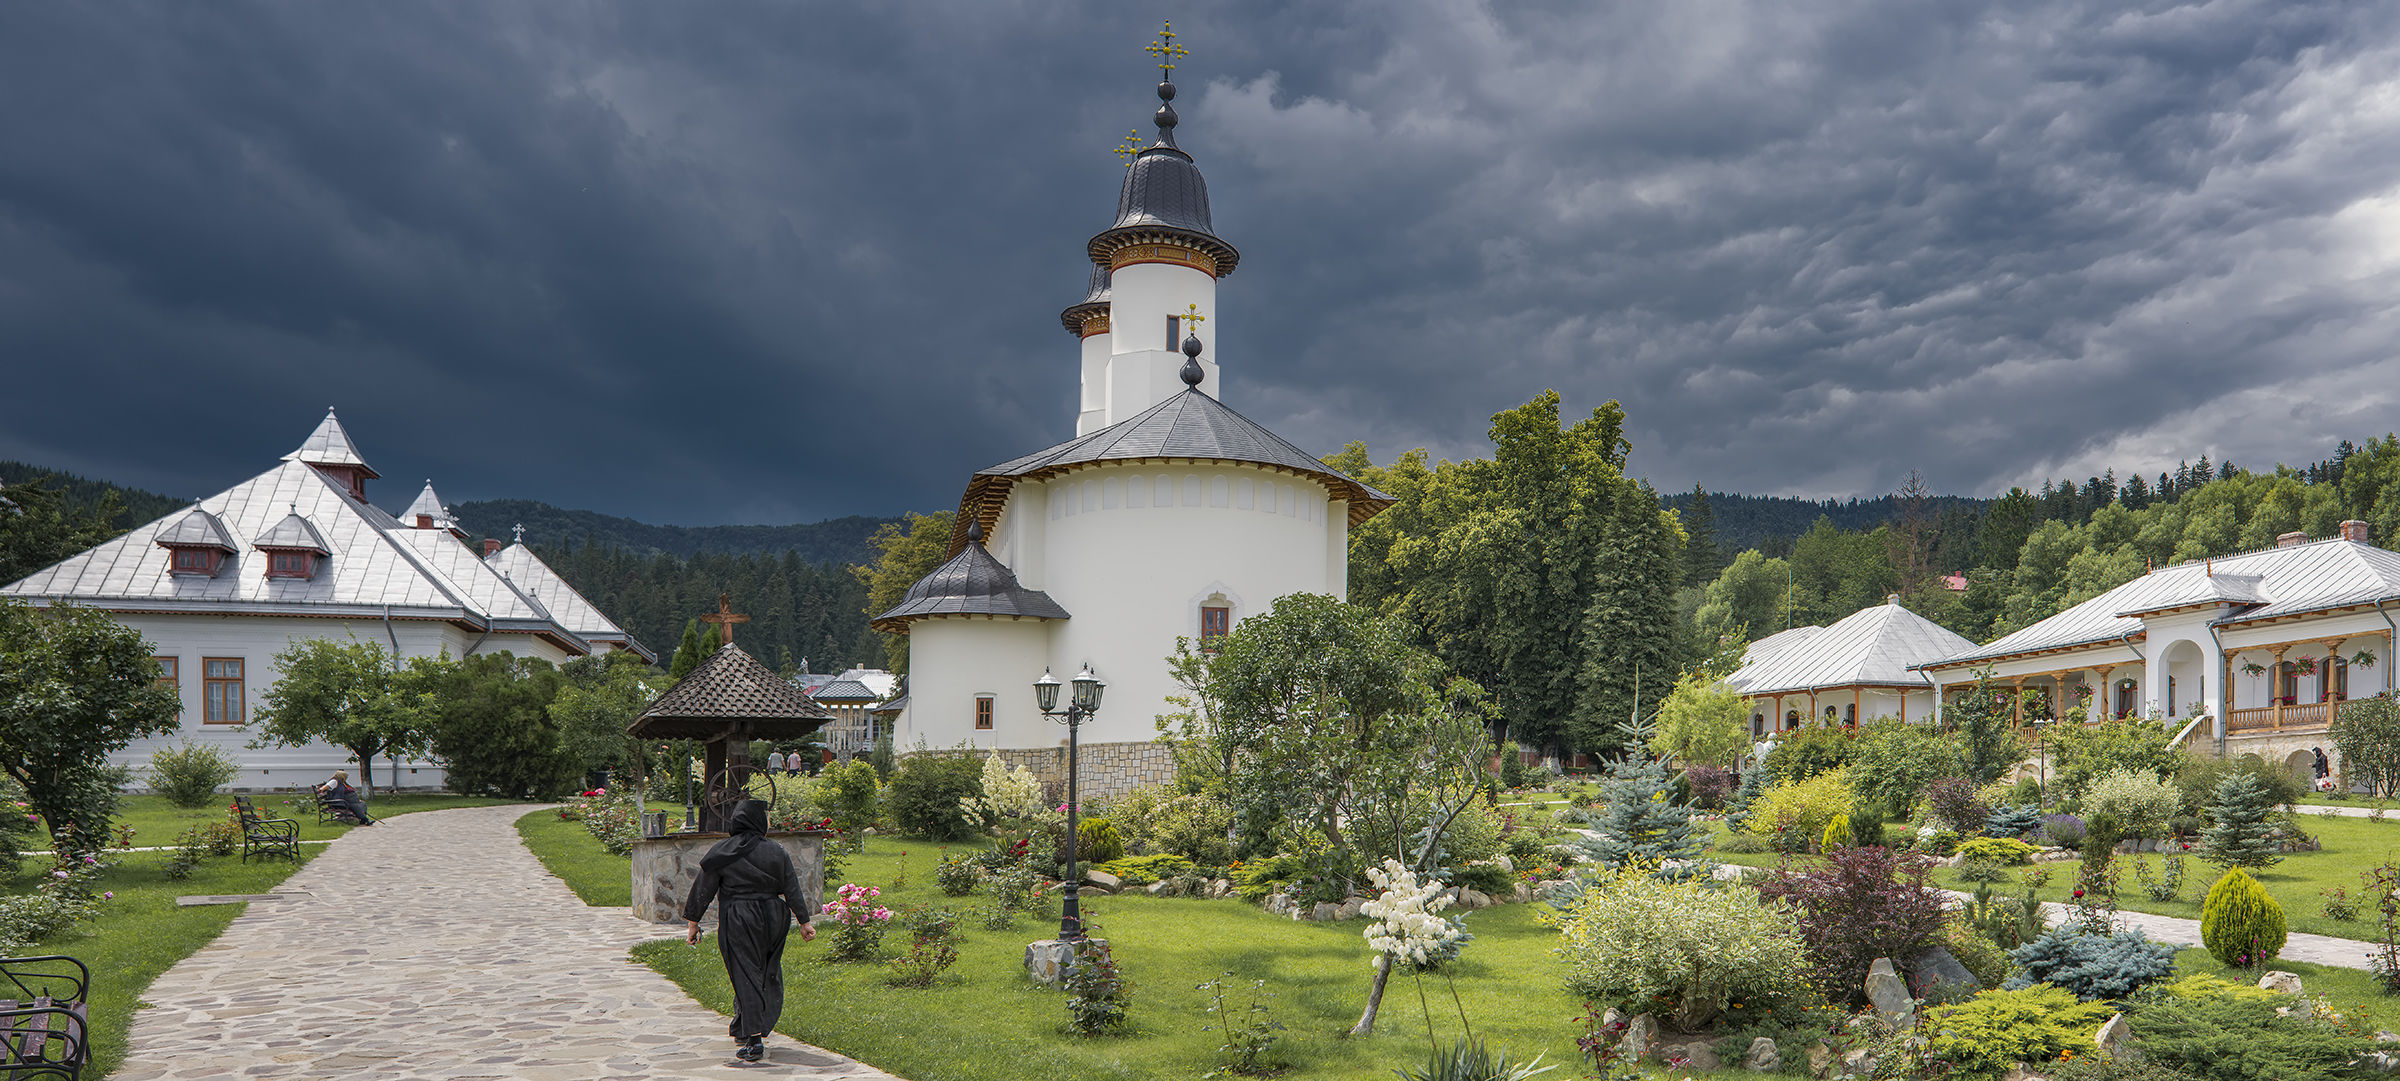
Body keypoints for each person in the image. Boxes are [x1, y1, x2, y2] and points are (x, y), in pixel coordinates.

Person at [683, 799, 815, 1062]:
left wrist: (693, 924)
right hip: (774, 916)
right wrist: (804, 922)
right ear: (760, 822)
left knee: (745, 973)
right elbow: (791, 887)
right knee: (765, 971)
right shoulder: (777, 851)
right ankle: (745, 1025)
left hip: (739, 917)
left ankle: (754, 1039)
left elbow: (703, 890)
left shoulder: (722, 851)